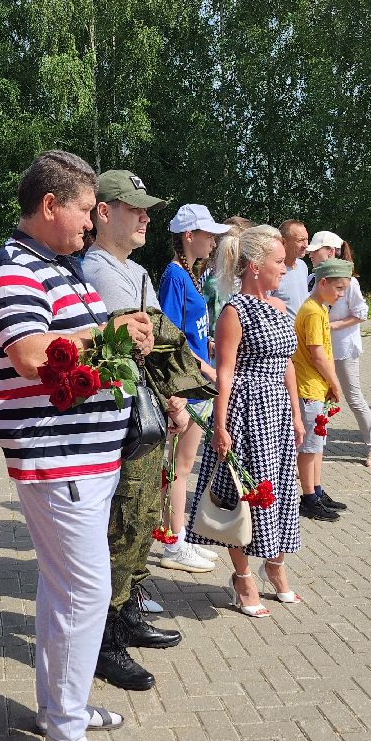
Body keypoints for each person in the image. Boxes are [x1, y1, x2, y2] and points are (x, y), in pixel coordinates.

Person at [0, 149, 153, 741]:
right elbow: (28, 353)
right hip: (61, 459)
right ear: (49, 207)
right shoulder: (14, 270)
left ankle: (62, 711)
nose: (91, 219)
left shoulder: (56, 267)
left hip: (84, 455)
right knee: (85, 592)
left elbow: (65, 345)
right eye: (84, 208)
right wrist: (111, 332)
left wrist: (112, 332)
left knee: (63, 591)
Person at [80, 170, 184, 692]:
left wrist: (177, 394)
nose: (146, 217)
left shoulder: (134, 270)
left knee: (144, 518)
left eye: (147, 208)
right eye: (134, 208)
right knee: (124, 524)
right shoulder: (98, 270)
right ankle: (104, 640)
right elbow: (148, 338)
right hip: (121, 418)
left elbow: (161, 342)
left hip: (147, 411)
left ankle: (129, 612)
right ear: (103, 212)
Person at [186, 225, 303, 615]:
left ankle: (276, 567)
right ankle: (242, 578)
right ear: (255, 266)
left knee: (282, 492)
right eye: (279, 262)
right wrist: (219, 427)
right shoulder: (234, 311)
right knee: (243, 495)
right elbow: (224, 372)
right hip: (247, 411)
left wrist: (298, 414)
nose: (285, 269)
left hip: (279, 414)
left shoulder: (282, 307)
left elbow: (287, 364)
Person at [157, 203, 230, 575]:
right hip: (187, 385)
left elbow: (191, 329)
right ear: (189, 236)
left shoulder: (191, 273)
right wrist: (202, 366)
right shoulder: (174, 275)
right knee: (178, 468)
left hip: (197, 381)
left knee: (181, 466)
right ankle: (175, 542)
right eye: (208, 234)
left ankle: (177, 535)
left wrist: (208, 348)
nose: (214, 240)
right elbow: (167, 334)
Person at [308, 232, 371, 467]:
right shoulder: (311, 278)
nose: (310, 254)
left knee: (353, 398)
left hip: (343, 349)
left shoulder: (350, 282)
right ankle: (315, 449)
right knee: (316, 400)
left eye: (315, 250)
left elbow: (361, 313)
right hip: (317, 349)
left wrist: (331, 325)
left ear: (330, 252)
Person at [294, 258, 355, 520]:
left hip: (317, 387)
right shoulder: (312, 311)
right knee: (308, 446)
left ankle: (316, 490)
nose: (341, 295)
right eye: (339, 288)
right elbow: (317, 354)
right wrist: (335, 382)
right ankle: (307, 497)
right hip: (309, 387)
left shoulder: (320, 307)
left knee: (318, 442)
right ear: (323, 283)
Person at [274, 218, 312, 316]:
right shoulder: (273, 271)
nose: (305, 245)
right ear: (283, 242)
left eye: (306, 239)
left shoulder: (302, 266)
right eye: (300, 240)